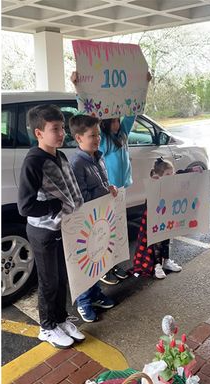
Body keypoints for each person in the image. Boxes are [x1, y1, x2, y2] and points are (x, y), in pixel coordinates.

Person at [70, 71, 152, 284]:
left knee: (116, 231)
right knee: (103, 232)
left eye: (118, 120)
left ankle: (113, 264)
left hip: (120, 190)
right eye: (113, 120)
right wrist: (78, 86)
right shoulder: (102, 139)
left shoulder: (122, 133)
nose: (117, 123)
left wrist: (144, 85)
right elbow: (87, 113)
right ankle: (105, 268)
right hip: (105, 193)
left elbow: (134, 111)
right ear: (105, 123)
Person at [17, 104, 85, 348]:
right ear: (38, 133)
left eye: (62, 128)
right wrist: (53, 206)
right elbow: (25, 207)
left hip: (62, 229)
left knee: (61, 278)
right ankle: (46, 327)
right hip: (43, 231)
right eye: (55, 129)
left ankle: (60, 319)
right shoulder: (33, 162)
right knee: (48, 281)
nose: (61, 133)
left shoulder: (60, 155)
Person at [69, 114, 118, 323]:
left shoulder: (98, 156)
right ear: (79, 139)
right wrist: (103, 194)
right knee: (86, 261)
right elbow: (79, 196)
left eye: (97, 134)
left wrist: (110, 189)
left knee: (98, 257)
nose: (97, 139)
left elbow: (102, 183)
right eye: (92, 136)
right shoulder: (77, 163)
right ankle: (84, 301)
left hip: (100, 219)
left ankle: (95, 293)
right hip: (85, 222)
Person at [133, 158, 183, 279]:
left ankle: (166, 260)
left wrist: (195, 170)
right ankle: (157, 265)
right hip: (154, 218)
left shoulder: (172, 183)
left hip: (167, 216)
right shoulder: (154, 184)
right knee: (157, 241)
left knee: (166, 238)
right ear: (158, 175)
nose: (171, 176)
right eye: (167, 174)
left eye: (172, 173)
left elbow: (184, 174)